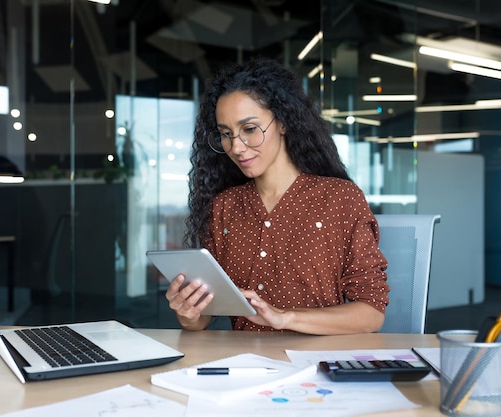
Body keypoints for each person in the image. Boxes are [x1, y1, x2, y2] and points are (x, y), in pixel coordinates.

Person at [165, 58, 389, 335]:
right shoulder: (225, 206)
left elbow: (370, 313)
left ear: (283, 123)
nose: (236, 146)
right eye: (226, 134)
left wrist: (285, 318)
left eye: (249, 129)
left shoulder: (339, 198)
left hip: (315, 365)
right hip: (246, 367)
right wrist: (187, 313)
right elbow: (202, 318)